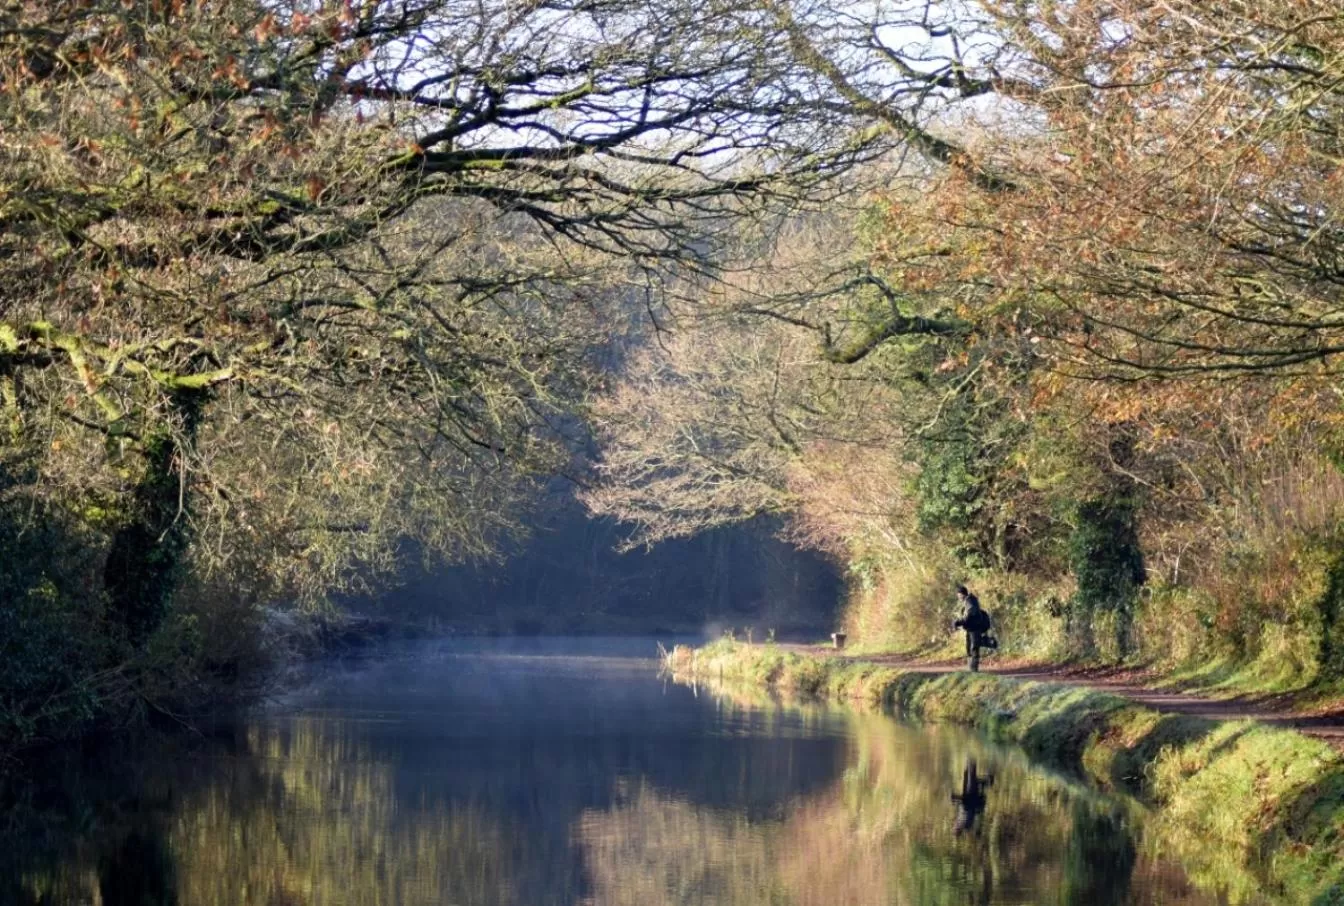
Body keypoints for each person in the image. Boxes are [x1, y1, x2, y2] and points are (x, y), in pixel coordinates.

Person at [953, 584, 993, 671]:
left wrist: (958, 622)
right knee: (969, 649)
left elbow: (968, 616)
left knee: (974, 648)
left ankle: (974, 670)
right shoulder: (968, 601)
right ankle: (971, 668)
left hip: (975, 628)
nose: (958, 597)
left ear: (962, 594)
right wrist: (959, 622)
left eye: (958, 595)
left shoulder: (970, 601)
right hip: (971, 629)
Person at [951, 758, 993, 836]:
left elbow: (964, 808)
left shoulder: (963, 824)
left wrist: (956, 800)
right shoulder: (964, 823)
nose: (954, 825)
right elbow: (966, 808)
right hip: (971, 795)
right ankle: (973, 758)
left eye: (953, 827)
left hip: (970, 796)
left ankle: (986, 780)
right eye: (954, 828)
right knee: (971, 773)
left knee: (968, 773)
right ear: (958, 829)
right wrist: (956, 799)